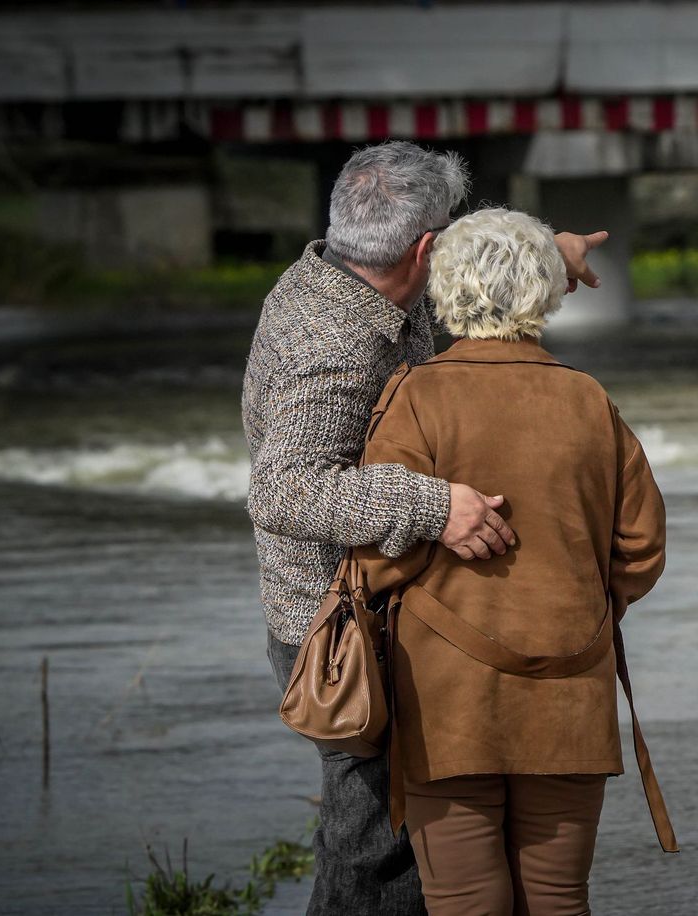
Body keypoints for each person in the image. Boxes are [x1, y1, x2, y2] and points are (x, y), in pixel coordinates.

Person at [241, 142, 607, 915]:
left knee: (406, 847)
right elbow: (285, 490)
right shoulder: (336, 343)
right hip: (336, 628)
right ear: (424, 250)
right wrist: (438, 507)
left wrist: (551, 252)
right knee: (378, 853)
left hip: (369, 606)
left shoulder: (340, 269)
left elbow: (465, 248)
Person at [352, 207, 670, 916]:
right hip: (570, 689)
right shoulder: (588, 399)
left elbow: (374, 554)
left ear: (446, 289)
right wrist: (580, 603)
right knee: (559, 900)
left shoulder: (415, 396)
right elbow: (643, 549)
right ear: (545, 295)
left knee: (466, 902)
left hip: (446, 700)